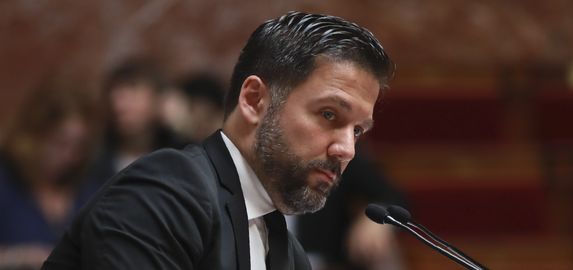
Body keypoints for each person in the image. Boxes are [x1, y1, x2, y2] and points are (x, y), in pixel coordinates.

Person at [42, 11, 394, 270]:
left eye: (358, 131)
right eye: (329, 115)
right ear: (255, 100)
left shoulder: (288, 254)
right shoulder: (166, 192)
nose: (346, 149)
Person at [0, 82, 100, 269]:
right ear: (34, 135)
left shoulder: (86, 190)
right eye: (60, 143)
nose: (69, 156)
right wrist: (20, 257)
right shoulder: (6, 180)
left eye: (79, 147)